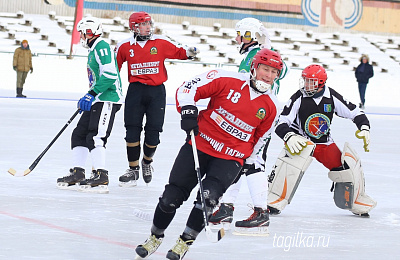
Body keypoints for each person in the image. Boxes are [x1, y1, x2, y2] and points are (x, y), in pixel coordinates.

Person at [134, 48, 282, 259]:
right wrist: (188, 110)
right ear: (253, 67)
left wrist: (246, 162)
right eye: (265, 69)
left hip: (230, 158)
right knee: (170, 197)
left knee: (208, 199)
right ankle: (155, 237)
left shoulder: (273, 106)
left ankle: (184, 242)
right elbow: (188, 88)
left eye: (273, 72)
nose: (268, 75)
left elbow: (260, 140)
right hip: (200, 145)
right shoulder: (226, 79)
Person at [209, 17, 289, 234]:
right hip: (257, 116)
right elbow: (285, 70)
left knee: (252, 163)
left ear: (249, 35)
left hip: (255, 117)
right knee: (239, 161)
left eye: (240, 34)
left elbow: (244, 84)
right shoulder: (258, 54)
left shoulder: (254, 57)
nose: (237, 38)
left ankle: (258, 211)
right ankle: (227, 206)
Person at [267, 64, 376, 217]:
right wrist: (289, 136)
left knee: (347, 170)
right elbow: (281, 122)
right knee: (287, 170)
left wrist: (364, 127)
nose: (306, 85)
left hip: (324, 144)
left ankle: (355, 201)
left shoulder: (331, 96)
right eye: (304, 80)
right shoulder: (298, 97)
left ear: (321, 83)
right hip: (301, 143)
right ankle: (273, 200)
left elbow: (355, 112)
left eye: (310, 81)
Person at [115, 11, 200, 187]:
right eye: (144, 24)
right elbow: (113, 68)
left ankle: (147, 162)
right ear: (134, 27)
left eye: (149, 24)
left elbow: (179, 52)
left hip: (156, 92)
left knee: (153, 133)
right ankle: (133, 169)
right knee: (132, 131)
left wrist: (190, 52)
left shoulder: (160, 42)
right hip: (135, 91)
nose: (148, 27)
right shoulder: (124, 46)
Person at [56, 17, 123, 193]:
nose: (81, 37)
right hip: (98, 98)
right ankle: (78, 172)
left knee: (96, 137)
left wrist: (91, 94)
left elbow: (110, 75)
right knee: (79, 134)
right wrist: (90, 95)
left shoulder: (101, 46)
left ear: (89, 32)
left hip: (108, 99)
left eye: (82, 33)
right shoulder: (94, 49)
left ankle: (101, 175)